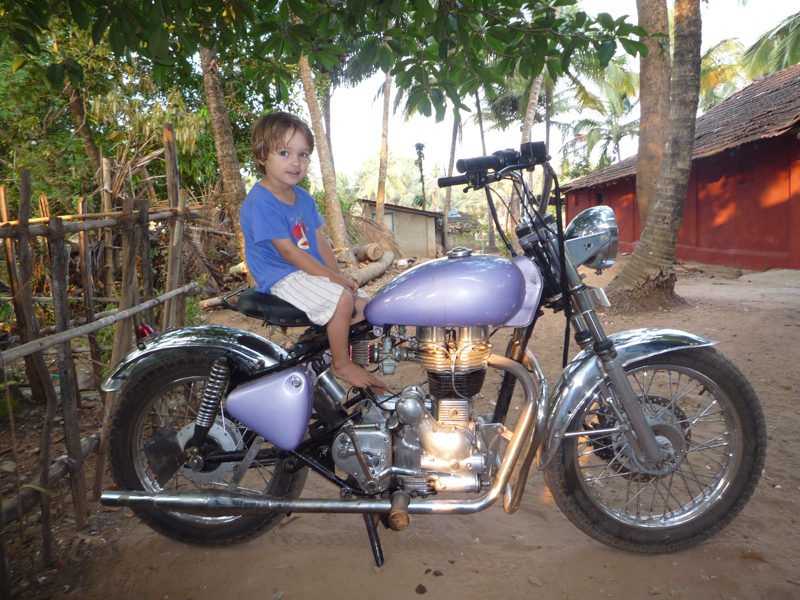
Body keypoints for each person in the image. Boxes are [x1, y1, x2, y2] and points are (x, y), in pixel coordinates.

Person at [241, 111, 387, 392]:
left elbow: (319, 241)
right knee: (341, 301)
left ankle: (331, 361)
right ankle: (341, 365)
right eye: (284, 152)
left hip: (306, 272)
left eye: (303, 154)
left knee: (363, 305)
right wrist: (334, 282)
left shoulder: (304, 198)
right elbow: (289, 253)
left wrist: (339, 275)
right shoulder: (261, 201)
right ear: (262, 155)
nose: (295, 162)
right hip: (282, 275)